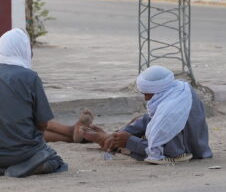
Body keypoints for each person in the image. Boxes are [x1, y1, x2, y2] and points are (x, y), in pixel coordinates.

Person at [0, 28, 67, 177]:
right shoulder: (30, 77)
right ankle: (23, 168)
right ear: (22, 49)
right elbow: (43, 123)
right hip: (22, 154)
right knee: (55, 160)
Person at [82, 65, 212, 165]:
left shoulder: (170, 113)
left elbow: (171, 153)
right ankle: (111, 139)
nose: (146, 98)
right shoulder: (179, 89)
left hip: (186, 151)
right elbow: (149, 119)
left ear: (159, 90)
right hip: (189, 142)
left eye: (147, 94)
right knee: (138, 122)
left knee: (136, 142)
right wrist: (122, 132)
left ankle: (108, 140)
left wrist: (128, 141)